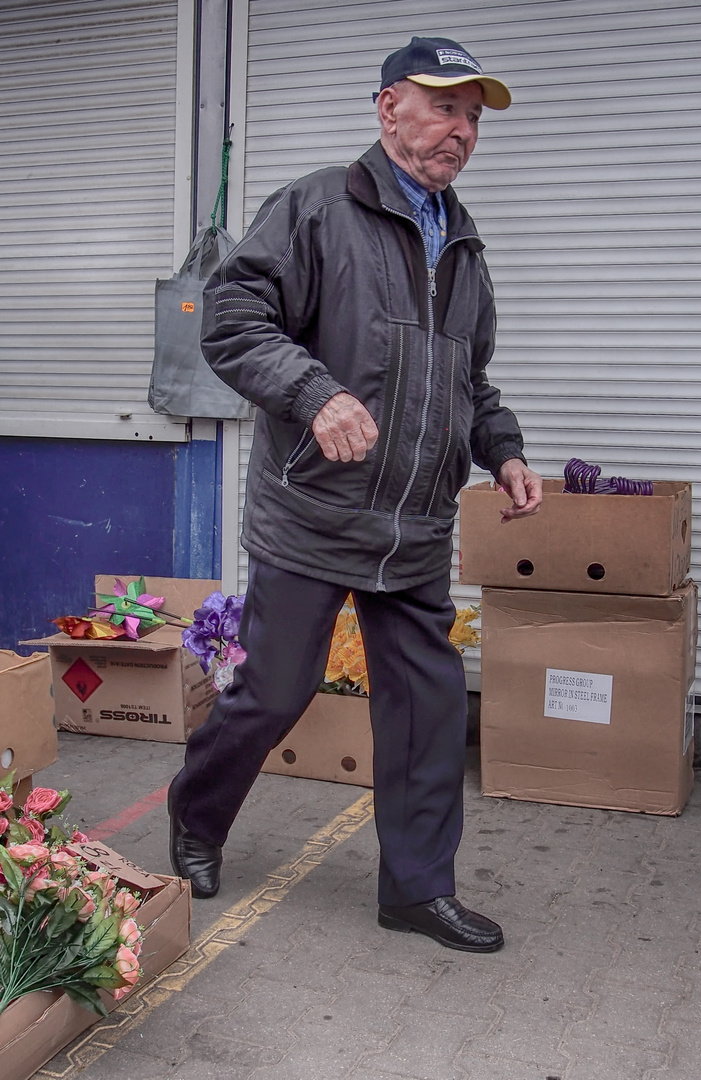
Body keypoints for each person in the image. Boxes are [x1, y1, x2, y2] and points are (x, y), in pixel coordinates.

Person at [167, 36, 542, 954]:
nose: (460, 129)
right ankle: (195, 818)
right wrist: (314, 393)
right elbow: (231, 318)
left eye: (473, 116)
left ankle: (414, 890)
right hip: (313, 513)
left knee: (427, 709)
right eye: (445, 106)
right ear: (388, 109)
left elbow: (470, 382)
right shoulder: (315, 207)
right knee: (271, 693)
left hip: (414, 525)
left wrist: (505, 451)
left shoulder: (464, 244)